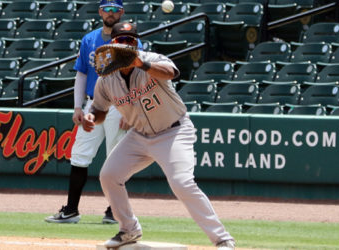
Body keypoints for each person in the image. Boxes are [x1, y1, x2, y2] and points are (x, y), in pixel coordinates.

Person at [82, 22, 236, 249]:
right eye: (121, 40)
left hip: (174, 131)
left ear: (136, 42)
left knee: (182, 183)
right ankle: (129, 229)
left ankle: (222, 239)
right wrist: (91, 118)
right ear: (112, 45)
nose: (126, 44)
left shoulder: (151, 59)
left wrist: (141, 64)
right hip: (139, 135)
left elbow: (170, 73)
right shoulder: (107, 78)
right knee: (109, 175)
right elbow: (99, 109)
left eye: (130, 40)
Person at [45, 0, 141, 224]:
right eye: (106, 9)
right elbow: (81, 74)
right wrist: (78, 106)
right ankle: (71, 210)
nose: (110, 13)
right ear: (100, 12)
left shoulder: (131, 39)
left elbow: (138, 76)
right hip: (93, 104)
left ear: (122, 12)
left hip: (120, 105)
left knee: (116, 159)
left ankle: (113, 211)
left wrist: (132, 109)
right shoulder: (89, 39)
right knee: (79, 155)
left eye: (115, 9)